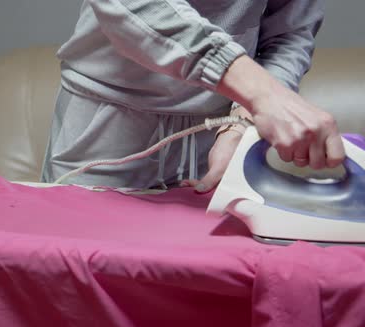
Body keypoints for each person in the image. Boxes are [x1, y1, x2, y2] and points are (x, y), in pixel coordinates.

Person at [41, 0, 345, 192]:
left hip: (216, 133)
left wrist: (241, 120)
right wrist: (264, 95)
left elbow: (289, 33)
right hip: (107, 128)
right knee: (79, 275)